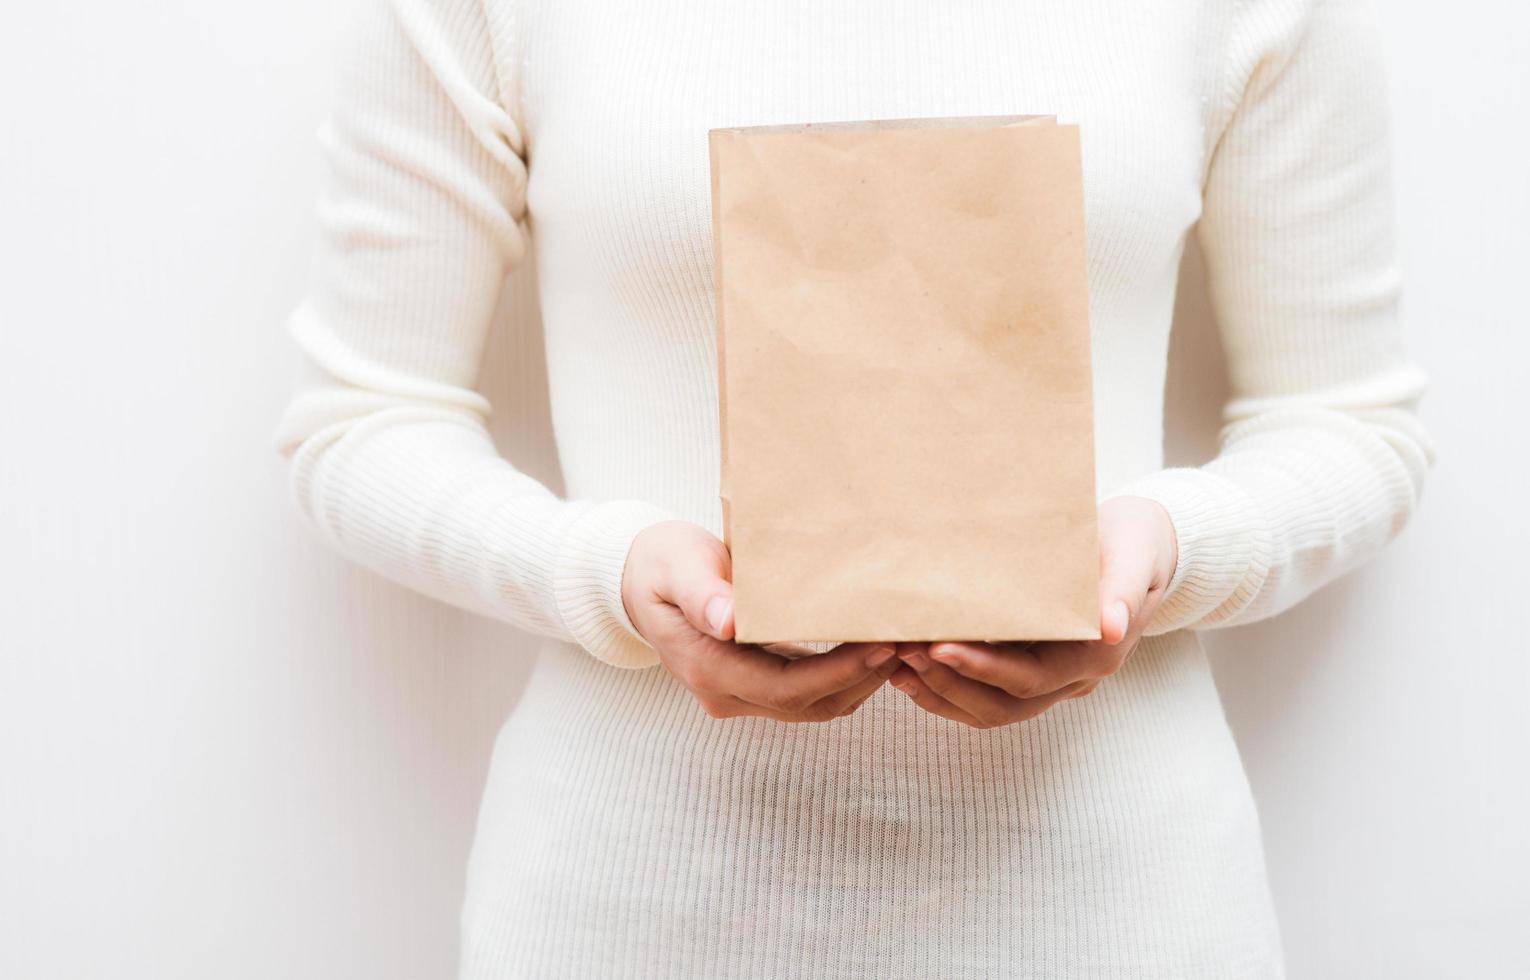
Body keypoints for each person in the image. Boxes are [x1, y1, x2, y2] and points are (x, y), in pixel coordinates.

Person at [271, 0, 1434, 975]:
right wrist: (610, 577)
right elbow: (361, 420)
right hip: (637, 905)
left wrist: (1166, 553)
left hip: (1113, 905)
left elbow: (1350, 421)